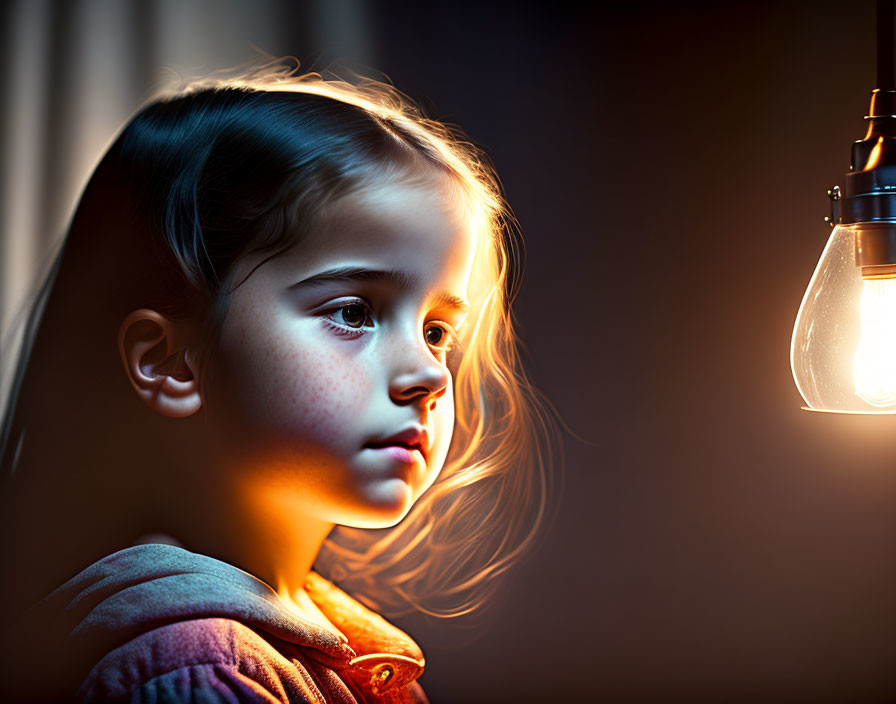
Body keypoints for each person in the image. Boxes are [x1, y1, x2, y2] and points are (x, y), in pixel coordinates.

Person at [0, 63, 554, 703]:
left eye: (436, 331)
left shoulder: (309, 643)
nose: (429, 373)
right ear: (171, 362)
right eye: (354, 312)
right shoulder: (199, 674)